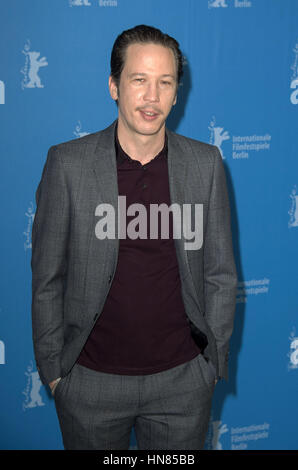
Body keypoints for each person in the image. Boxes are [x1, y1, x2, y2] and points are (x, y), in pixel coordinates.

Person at [31, 24, 237, 450]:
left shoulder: (205, 164)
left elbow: (219, 272)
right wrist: (56, 371)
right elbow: (47, 278)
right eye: (139, 80)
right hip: (89, 384)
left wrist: (209, 363)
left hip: (183, 384)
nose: (152, 96)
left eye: (165, 83)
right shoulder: (68, 165)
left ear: (177, 93)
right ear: (114, 86)